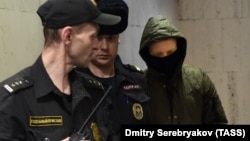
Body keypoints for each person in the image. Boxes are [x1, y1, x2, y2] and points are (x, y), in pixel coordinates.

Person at [0, 0, 121, 140]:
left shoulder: (95, 93)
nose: (97, 46)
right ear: (68, 36)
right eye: (93, 37)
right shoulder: (12, 101)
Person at [77, 0, 150, 140]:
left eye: (111, 38)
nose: (104, 46)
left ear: (118, 40)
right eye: (98, 38)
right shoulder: (74, 83)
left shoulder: (137, 80)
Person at [139, 15, 228, 124]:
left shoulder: (198, 81)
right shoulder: (140, 86)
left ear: (178, 49)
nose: (165, 58)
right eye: (158, 55)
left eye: (170, 53)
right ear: (148, 56)